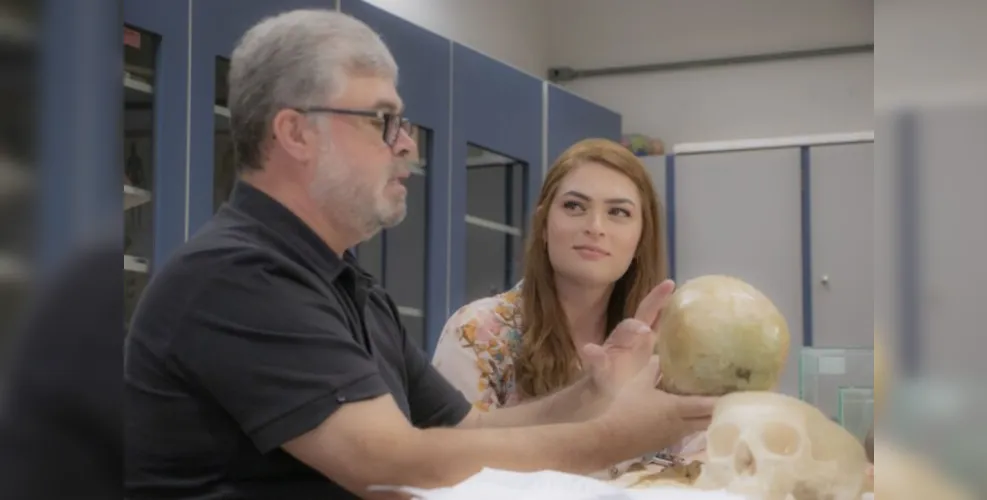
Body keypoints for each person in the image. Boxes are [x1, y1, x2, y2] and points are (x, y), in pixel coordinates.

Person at [123, 9, 717, 500]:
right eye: (382, 120)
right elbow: (391, 460)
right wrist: (617, 434)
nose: (406, 142)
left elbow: (469, 428)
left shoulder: (348, 284)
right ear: (295, 134)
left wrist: (592, 391)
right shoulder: (238, 276)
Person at [432, 139, 703, 478]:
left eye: (618, 212)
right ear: (543, 225)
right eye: (575, 206)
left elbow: (702, 462)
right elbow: (449, 463)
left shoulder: (667, 342)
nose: (595, 227)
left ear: (640, 239)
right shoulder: (480, 331)